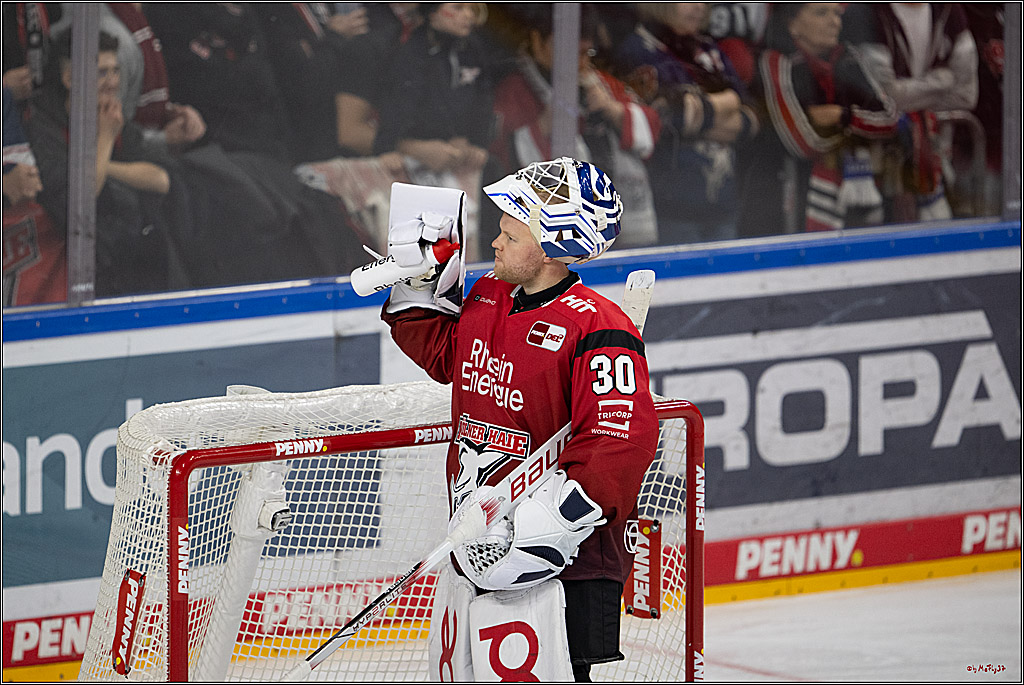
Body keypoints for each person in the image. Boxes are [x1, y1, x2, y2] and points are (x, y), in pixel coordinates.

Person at [380, 157, 659, 681]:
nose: (495, 243)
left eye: (510, 232)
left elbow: (619, 439)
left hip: (566, 555)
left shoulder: (598, 326)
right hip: (480, 535)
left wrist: (557, 520)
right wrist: (415, 292)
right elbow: (446, 356)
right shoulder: (488, 295)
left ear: (553, 244)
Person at [491, 5, 662, 247]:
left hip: (613, 220)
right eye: (567, 50)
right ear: (538, 42)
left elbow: (653, 125)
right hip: (553, 230)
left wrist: (612, 110)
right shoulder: (515, 90)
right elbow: (500, 156)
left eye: (585, 53)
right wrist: (544, 124)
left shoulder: (599, 82)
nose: (579, 62)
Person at [26, 29, 174, 297]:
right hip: (75, 272)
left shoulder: (111, 117)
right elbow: (80, 197)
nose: (113, 82)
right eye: (101, 73)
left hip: (131, 253)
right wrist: (105, 140)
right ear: (69, 78)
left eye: (115, 71)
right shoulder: (43, 126)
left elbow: (160, 179)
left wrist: (100, 165)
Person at [737, 3, 898, 236]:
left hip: (850, 206)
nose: (835, 22)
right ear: (792, 24)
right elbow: (803, 141)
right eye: (821, 13)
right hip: (782, 206)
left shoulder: (848, 57)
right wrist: (858, 134)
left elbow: (890, 120)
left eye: (836, 13)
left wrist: (842, 117)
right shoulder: (775, 62)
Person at [615, 2, 759, 245]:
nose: (699, 7)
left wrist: (700, 111)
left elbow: (752, 119)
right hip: (671, 208)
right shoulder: (638, 49)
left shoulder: (708, 50)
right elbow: (668, 121)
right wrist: (729, 100)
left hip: (722, 207)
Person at [842, 3, 979, 223]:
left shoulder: (949, 11)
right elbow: (882, 95)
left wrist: (907, 97)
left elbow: (965, 95)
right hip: (874, 165)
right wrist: (941, 82)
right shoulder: (867, 11)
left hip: (935, 160)